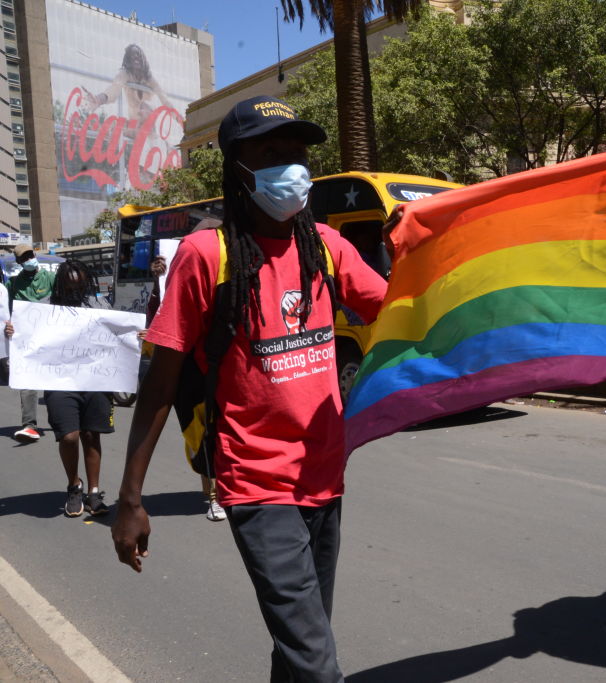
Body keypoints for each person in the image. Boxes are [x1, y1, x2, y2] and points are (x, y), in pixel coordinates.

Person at [111, 95, 387, 681]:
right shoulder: (205, 255)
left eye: (298, 153)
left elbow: (401, 309)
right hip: (257, 482)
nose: (292, 166)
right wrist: (130, 499)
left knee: (300, 646)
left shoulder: (328, 249)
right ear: (237, 167)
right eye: (272, 152)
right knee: (317, 663)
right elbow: (160, 382)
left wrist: (426, 242)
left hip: (325, 475)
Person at [7, 260, 114, 516]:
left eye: (80, 285)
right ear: (61, 285)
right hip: (60, 383)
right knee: (69, 436)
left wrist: (134, 336)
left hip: (95, 382)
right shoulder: (43, 310)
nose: (75, 290)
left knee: (92, 435)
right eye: (69, 286)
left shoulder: (100, 306)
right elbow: (27, 337)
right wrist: (14, 331)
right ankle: (74, 485)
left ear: (87, 283)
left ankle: (94, 492)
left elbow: (115, 338)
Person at [144, 254, 226, 522]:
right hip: (190, 370)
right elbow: (160, 315)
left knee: (226, 430)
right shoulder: (175, 282)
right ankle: (213, 495)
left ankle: (230, 489)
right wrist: (159, 281)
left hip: (224, 363)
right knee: (202, 432)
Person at [7, 243, 55, 443]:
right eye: (23, 258)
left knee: (55, 383)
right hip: (26, 343)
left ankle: (62, 421)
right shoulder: (13, 285)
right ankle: (29, 426)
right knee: (27, 384)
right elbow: (6, 314)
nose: (28, 260)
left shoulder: (51, 278)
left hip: (52, 340)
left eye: (30, 255)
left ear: (35, 255)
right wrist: (8, 327)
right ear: (18, 262)